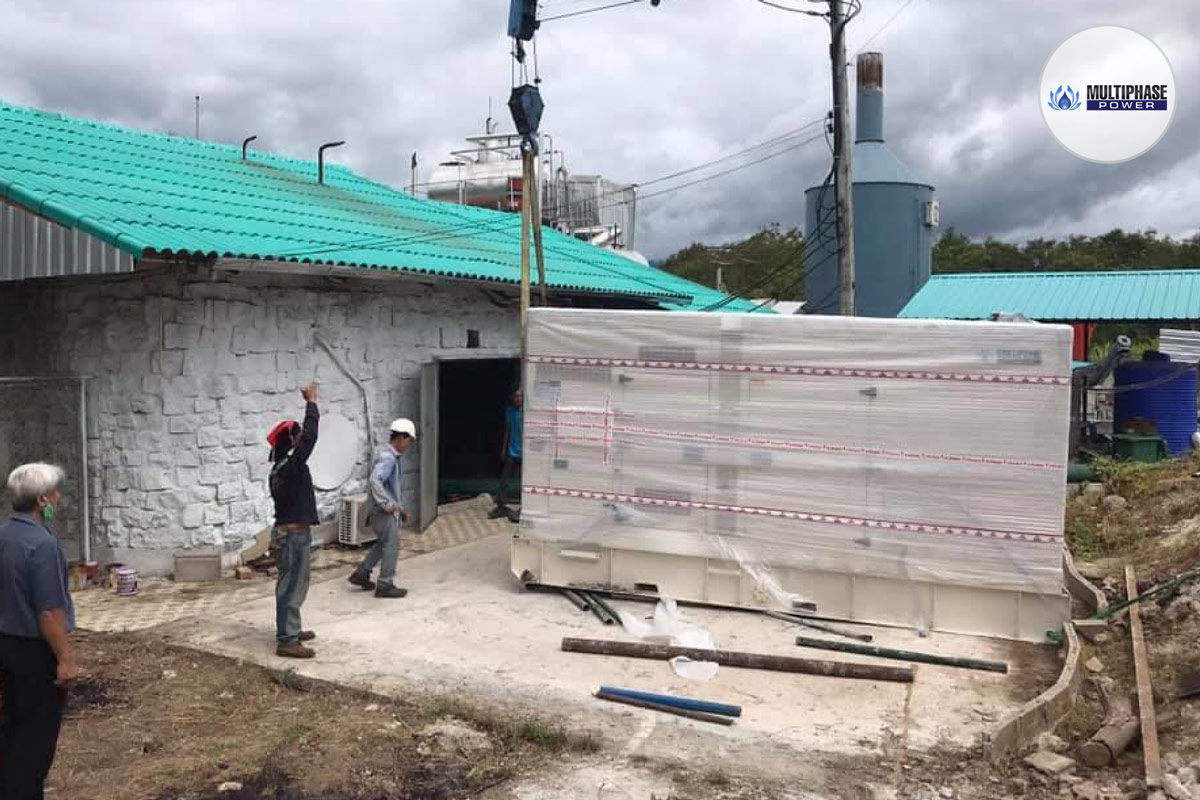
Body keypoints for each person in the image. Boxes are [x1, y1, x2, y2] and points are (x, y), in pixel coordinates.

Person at [0, 462, 78, 800]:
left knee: (12, 725)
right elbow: (49, 611)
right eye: (54, 493)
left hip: (6, 644)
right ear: (42, 500)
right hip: (35, 651)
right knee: (35, 738)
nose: (58, 498)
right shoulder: (42, 545)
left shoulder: (4, 536)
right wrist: (65, 659)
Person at [267, 382, 320, 659]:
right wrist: (311, 403)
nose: (302, 438)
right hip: (293, 535)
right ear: (292, 441)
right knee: (291, 585)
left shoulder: (279, 468)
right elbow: (311, 438)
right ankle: (287, 639)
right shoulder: (291, 466)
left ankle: (291, 629)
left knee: (294, 583)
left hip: (289, 533)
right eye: (297, 436)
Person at [348, 418, 416, 599]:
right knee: (392, 544)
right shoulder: (388, 458)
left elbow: (389, 488)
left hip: (380, 511)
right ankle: (385, 584)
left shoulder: (388, 456)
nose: (409, 445)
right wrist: (387, 505)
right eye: (409, 441)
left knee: (384, 542)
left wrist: (400, 508)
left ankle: (361, 573)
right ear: (401, 437)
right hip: (382, 512)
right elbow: (375, 481)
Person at [490, 387, 523, 521]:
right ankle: (501, 504)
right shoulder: (509, 411)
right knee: (504, 478)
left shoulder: (525, 412)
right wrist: (504, 449)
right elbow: (507, 430)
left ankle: (524, 504)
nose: (517, 399)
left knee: (524, 479)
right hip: (512, 450)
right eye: (515, 397)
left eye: (519, 397)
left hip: (524, 453)